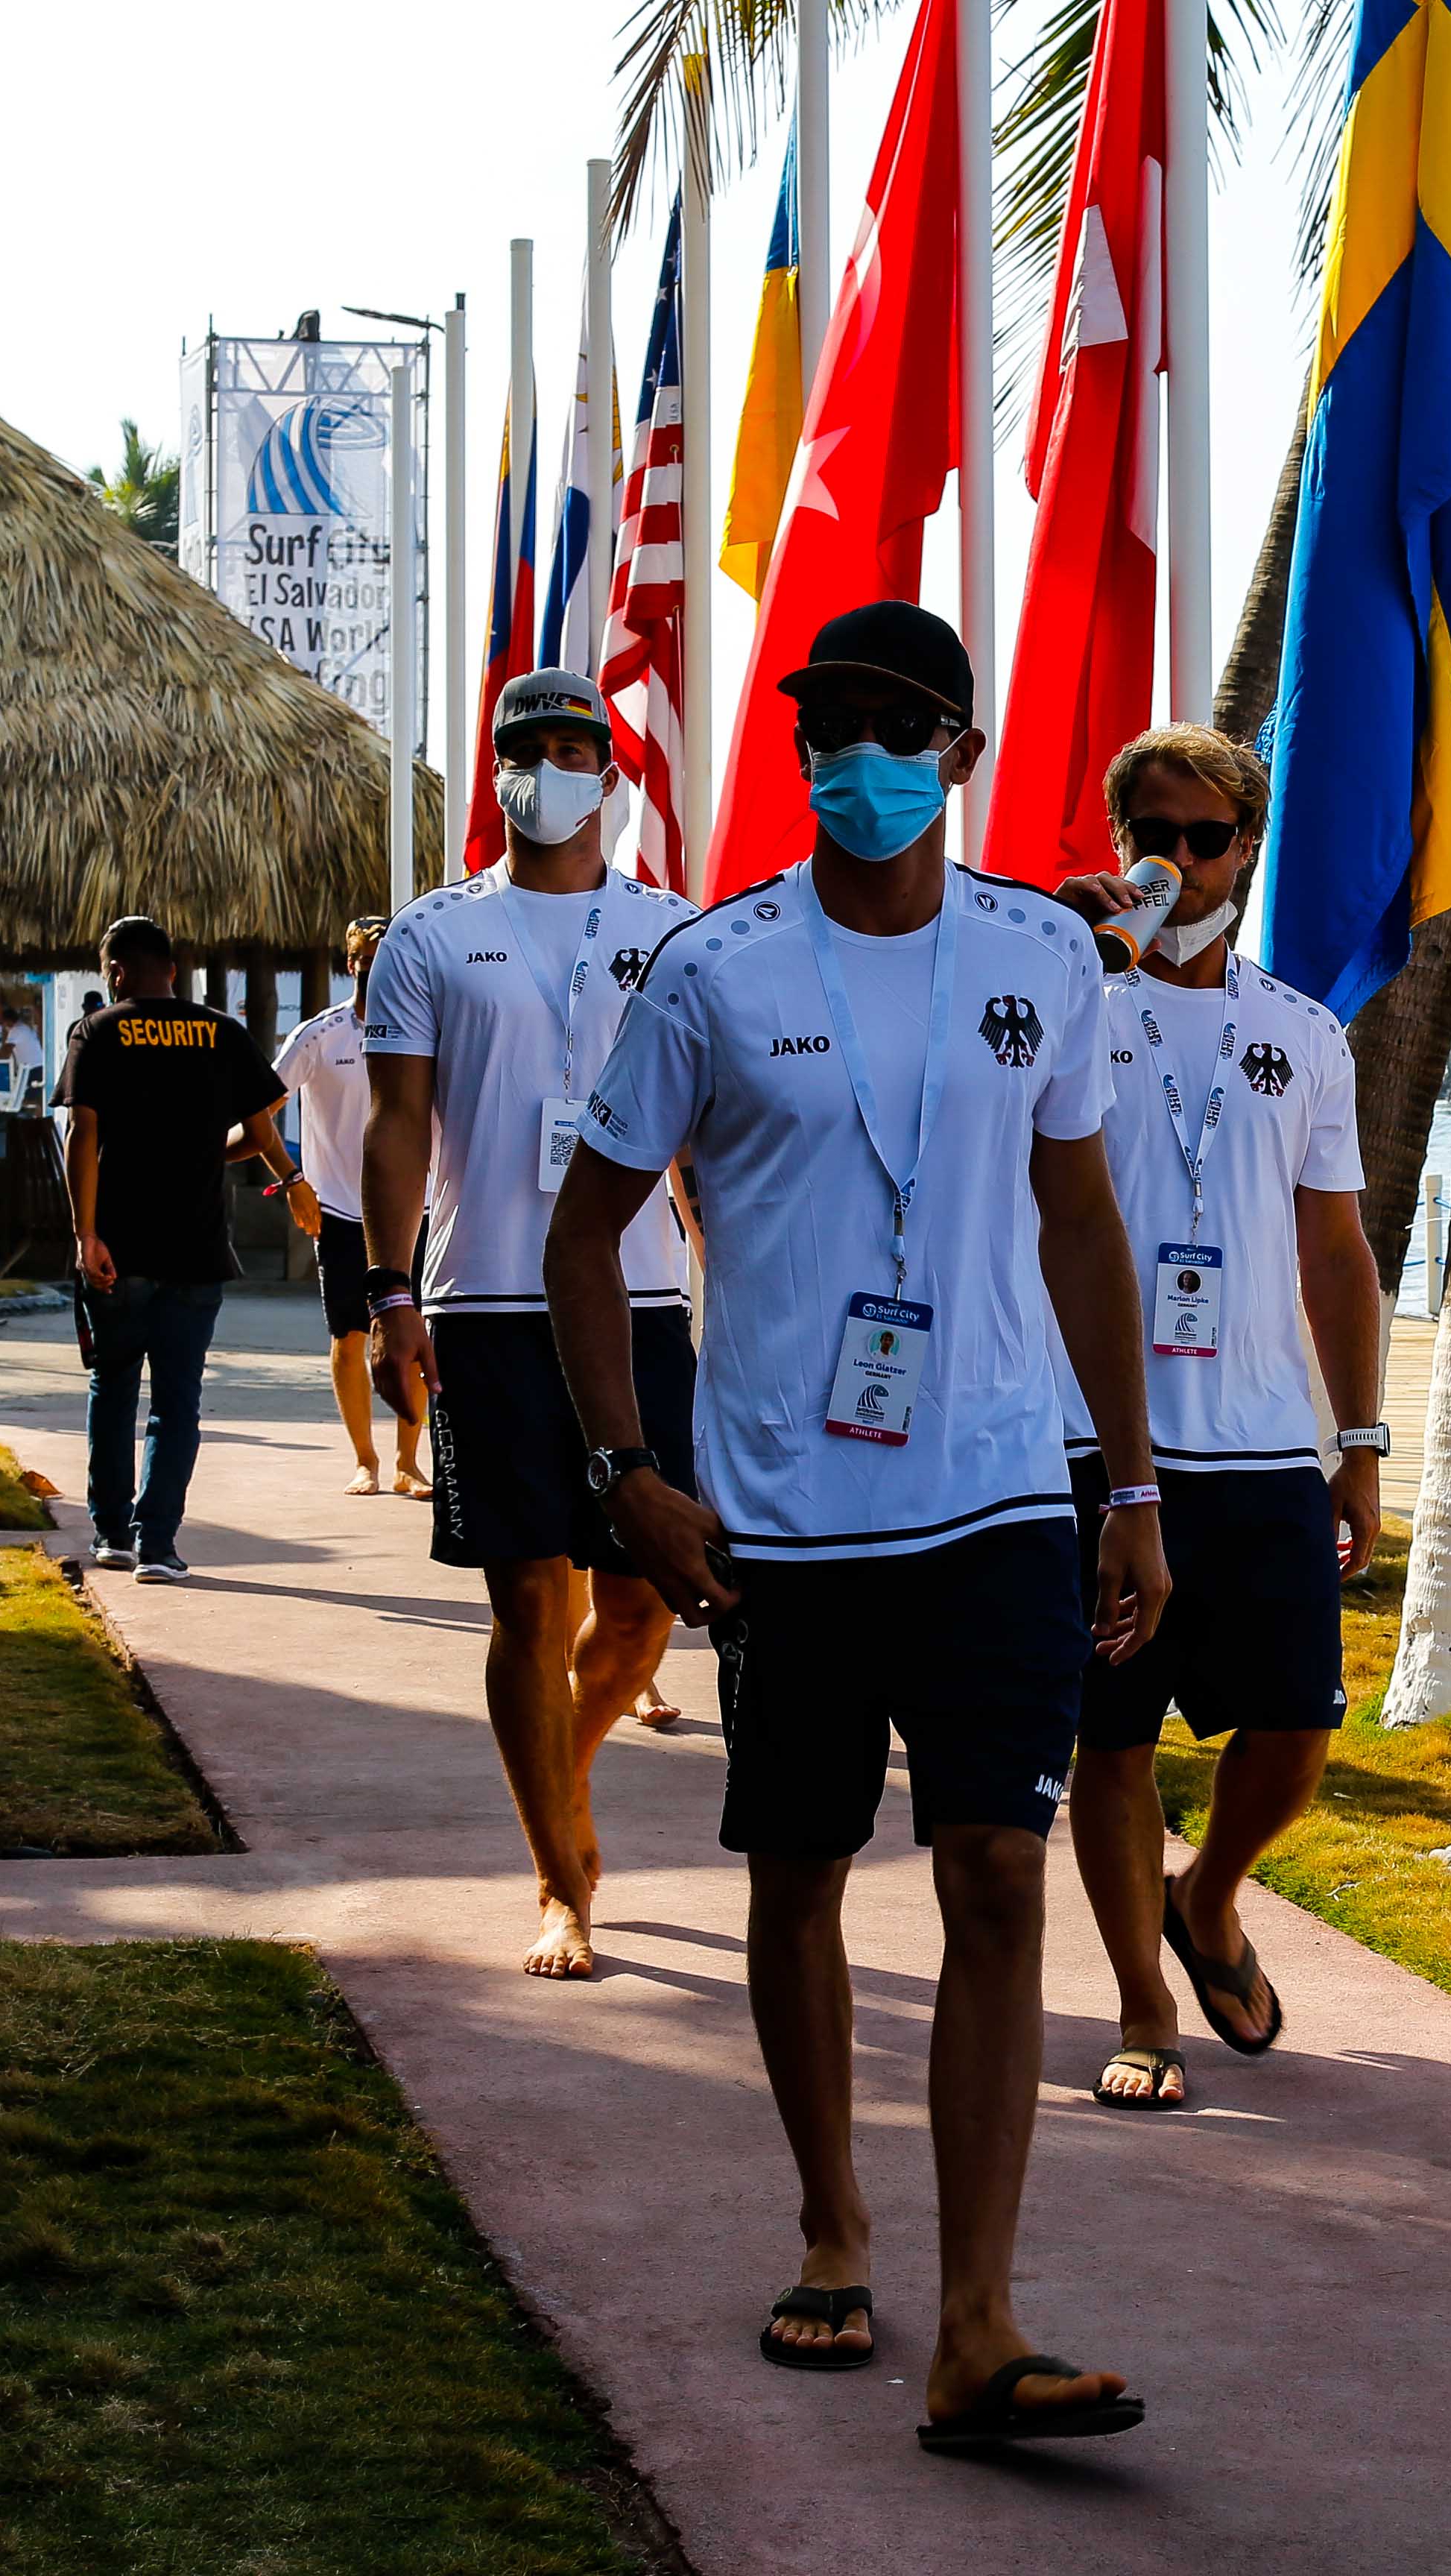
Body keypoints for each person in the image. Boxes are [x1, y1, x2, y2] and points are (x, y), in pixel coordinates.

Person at [545, 599, 1164, 2448]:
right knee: (799, 1872)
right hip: (782, 1517)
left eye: (899, 727)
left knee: (993, 1871)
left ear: (960, 755)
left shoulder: (1044, 956)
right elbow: (588, 1229)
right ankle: (832, 2221)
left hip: (990, 1495)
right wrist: (624, 1468)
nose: (857, 757)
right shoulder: (711, 968)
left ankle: (978, 2320)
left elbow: (1078, 1224)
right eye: (830, 725)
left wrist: (1127, 1481)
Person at [1041, 728, 1381, 2109]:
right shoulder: (1060, 1003)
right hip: (1093, 1440)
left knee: (1296, 1727)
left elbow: (1338, 1256)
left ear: (1245, 849)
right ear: (1121, 841)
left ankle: (1211, 1894)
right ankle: (1142, 2011)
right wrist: (1065, 949)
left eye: (1205, 839)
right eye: (1154, 836)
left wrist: (1356, 1444)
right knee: (1110, 1739)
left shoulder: (1300, 1033)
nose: (1177, 865)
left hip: (1259, 1448)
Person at [361, 668, 701, 1981]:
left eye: (575, 748)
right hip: (486, 1299)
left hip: (642, 1298)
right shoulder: (431, 936)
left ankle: (561, 1765)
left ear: (609, 772)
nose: (550, 769)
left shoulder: (675, 934)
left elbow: (711, 1143)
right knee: (523, 1599)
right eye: (527, 748)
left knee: (641, 1604)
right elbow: (397, 1126)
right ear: (492, 765)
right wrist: (389, 1294)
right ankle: (562, 1878)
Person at [57, 916, 310, 1583]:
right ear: (172, 970)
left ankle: (112, 1534)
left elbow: (84, 1132)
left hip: (119, 1247)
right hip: (196, 1249)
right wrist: (287, 1178)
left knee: (112, 1387)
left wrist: (85, 1232)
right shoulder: (222, 1032)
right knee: (177, 1400)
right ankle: (159, 1545)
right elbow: (259, 1131)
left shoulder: (98, 1030)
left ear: (114, 972)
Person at [274, 915, 426, 1500]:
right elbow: (260, 1105)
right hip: (339, 1208)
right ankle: (364, 1459)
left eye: (388, 960)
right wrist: (293, 1180)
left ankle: (408, 1462)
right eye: (367, 961)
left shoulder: (424, 1028)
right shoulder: (321, 1035)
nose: (377, 970)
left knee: (412, 1331)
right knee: (349, 1338)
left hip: (412, 1206)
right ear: (351, 965)